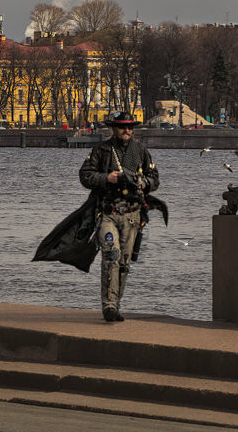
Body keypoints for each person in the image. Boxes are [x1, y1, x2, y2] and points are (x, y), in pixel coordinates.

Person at [78, 112, 163, 322]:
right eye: (123, 127)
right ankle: (108, 306)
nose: (127, 130)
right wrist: (107, 178)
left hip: (132, 216)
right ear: (114, 129)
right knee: (111, 255)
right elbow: (85, 175)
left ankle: (115, 304)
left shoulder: (141, 151)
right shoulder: (101, 150)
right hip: (107, 214)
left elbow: (155, 179)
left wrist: (142, 183)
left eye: (130, 127)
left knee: (124, 262)